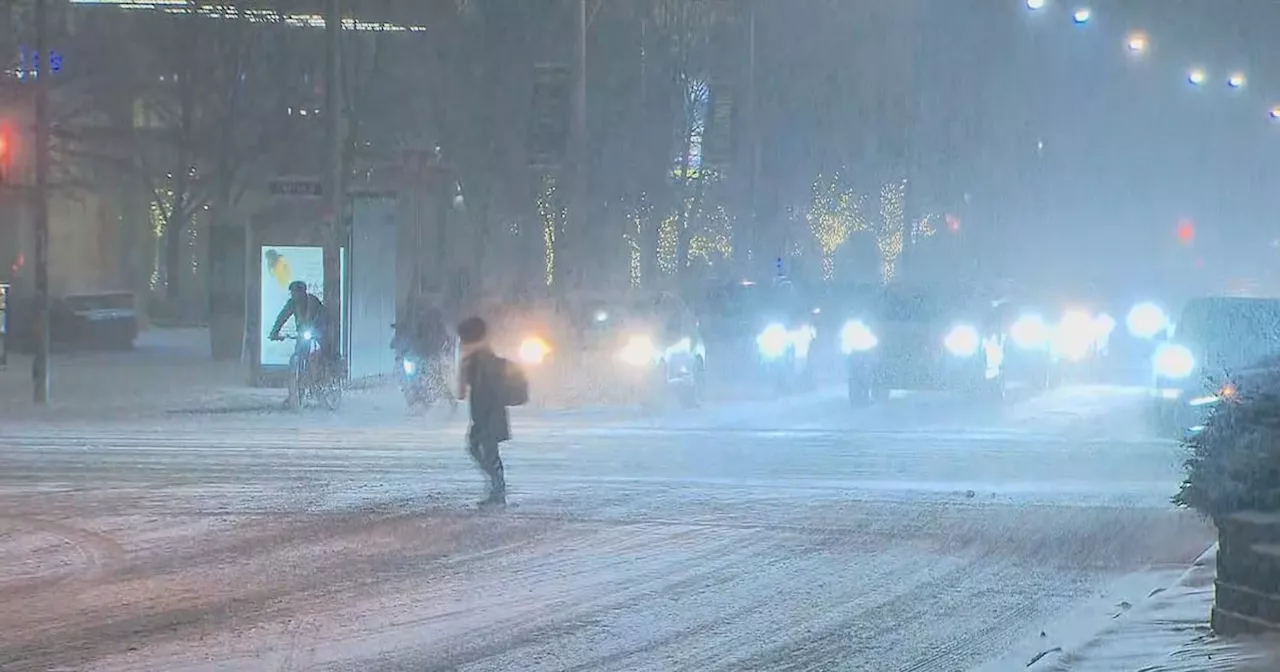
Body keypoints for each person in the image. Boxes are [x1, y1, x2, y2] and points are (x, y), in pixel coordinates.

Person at [456, 316, 510, 506]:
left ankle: (498, 490)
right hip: (489, 414)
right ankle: (497, 488)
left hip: (486, 415)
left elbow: (460, 393)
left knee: (483, 450)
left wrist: (462, 370)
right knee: (482, 449)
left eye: (462, 340)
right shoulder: (490, 357)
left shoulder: (474, 362)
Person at [268, 281, 330, 402]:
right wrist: (274, 332)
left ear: (303, 293)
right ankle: (296, 393)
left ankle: (322, 381)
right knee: (298, 356)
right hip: (304, 334)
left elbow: (322, 317)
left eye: (296, 293)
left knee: (319, 355)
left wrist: (319, 331)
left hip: (318, 332)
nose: (294, 296)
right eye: (292, 293)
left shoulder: (313, 302)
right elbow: (282, 316)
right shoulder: (292, 303)